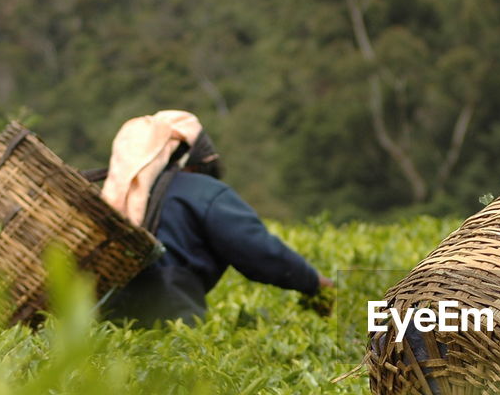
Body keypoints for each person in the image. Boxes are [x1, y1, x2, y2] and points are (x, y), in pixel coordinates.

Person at [96, 110, 334, 327]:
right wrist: (313, 282)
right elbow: (258, 250)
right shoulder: (204, 192)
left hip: (100, 323)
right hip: (169, 322)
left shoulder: (116, 197)